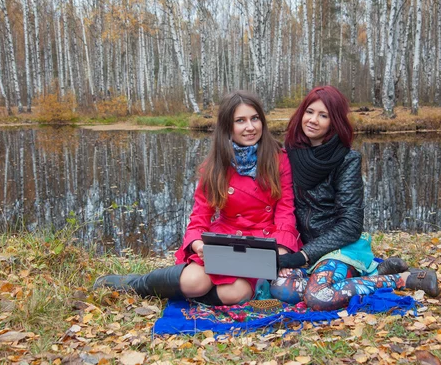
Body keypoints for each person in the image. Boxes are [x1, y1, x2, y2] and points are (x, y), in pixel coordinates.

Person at [94, 91, 301, 305]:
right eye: (240, 121)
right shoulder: (214, 166)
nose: (250, 127)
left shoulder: (279, 159)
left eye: (254, 118)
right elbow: (200, 215)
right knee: (194, 283)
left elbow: (286, 209)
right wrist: (197, 244)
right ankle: (134, 284)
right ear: (228, 127)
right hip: (226, 241)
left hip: (262, 244)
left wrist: (282, 248)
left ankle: (196, 295)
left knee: (235, 294)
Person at [270, 86, 440, 311]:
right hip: (306, 247)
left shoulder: (346, 160)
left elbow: (350, 225)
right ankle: (374, 273)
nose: (312, 120)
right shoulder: (288, 154)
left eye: (323, 115)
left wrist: (303, 256)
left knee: (319, 297)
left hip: (341, 247)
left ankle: (404, 279)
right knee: (281, 288)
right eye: (309, 112)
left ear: (335, 122)